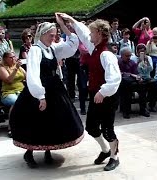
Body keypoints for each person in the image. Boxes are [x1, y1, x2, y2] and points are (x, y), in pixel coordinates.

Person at [9, 14, 84, 168]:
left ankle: (48, 150)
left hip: (54, 88)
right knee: (35, 121)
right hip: (38, 90)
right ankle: (29, 153)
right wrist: (40, 96)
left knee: (53, 121)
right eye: (51, 35)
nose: (53, 38)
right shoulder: (36, 50)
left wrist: (63, 26)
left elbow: (72, 44)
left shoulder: (52, 48)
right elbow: (33, 74)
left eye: (55, 35)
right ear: (42, 35)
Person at [59, 13, 122, 171]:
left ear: (99, 34)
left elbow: (115, 78)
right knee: (91, 127)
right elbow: (83, 33)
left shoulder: (106, 54)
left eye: (92, 32)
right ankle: (106, 150)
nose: (89, 34)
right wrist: (70, 20)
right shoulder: (94, 47)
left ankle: (115, 156)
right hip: (96, 95)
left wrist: (103, 92)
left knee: (108, 130)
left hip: (107, 97)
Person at [0, 51, 26, 137]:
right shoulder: (2, 69)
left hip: (21, 91)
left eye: (14, 57)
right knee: (16, 102)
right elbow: (9, 80)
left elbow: (26, 77)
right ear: (5, 59)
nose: (14, 58)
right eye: (11, 57)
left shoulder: (19, 67)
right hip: (8, 93)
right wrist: (16, 69)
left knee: (32, 100)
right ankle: (11, 128)